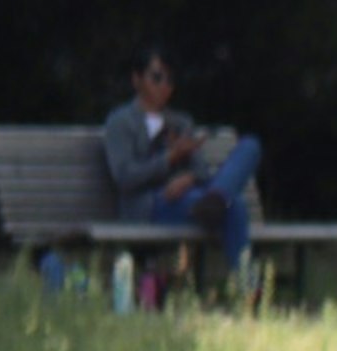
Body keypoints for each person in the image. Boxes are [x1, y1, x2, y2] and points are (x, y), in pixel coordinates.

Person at [101, 46, 264, 294]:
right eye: (157, 77)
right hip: (153, 204)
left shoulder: (180, 121)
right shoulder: (120, 122)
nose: (164, 85)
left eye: (170, 79)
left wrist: (188, 177)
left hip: (192, 198)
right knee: (236, 205)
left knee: (250, 146)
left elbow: (201, 171)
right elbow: (124, 177)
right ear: (137, 80)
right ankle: (249, 292)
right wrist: (169, 159)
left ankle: (215, 199)